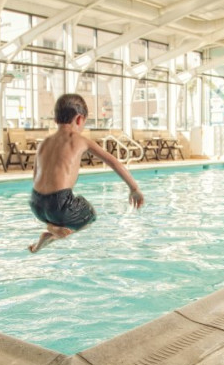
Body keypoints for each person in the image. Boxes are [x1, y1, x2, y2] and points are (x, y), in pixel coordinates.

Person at [28, 93, 144, 253]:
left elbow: (35, 175)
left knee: (62, 214)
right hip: (59, 205)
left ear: (55, 119)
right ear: (79, 119)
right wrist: (134, 189)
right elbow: (114, 162)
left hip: (36, 204)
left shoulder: (44, 143)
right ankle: (54, 231)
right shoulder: (80, 140)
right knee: (90, 215)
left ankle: (49, 233)